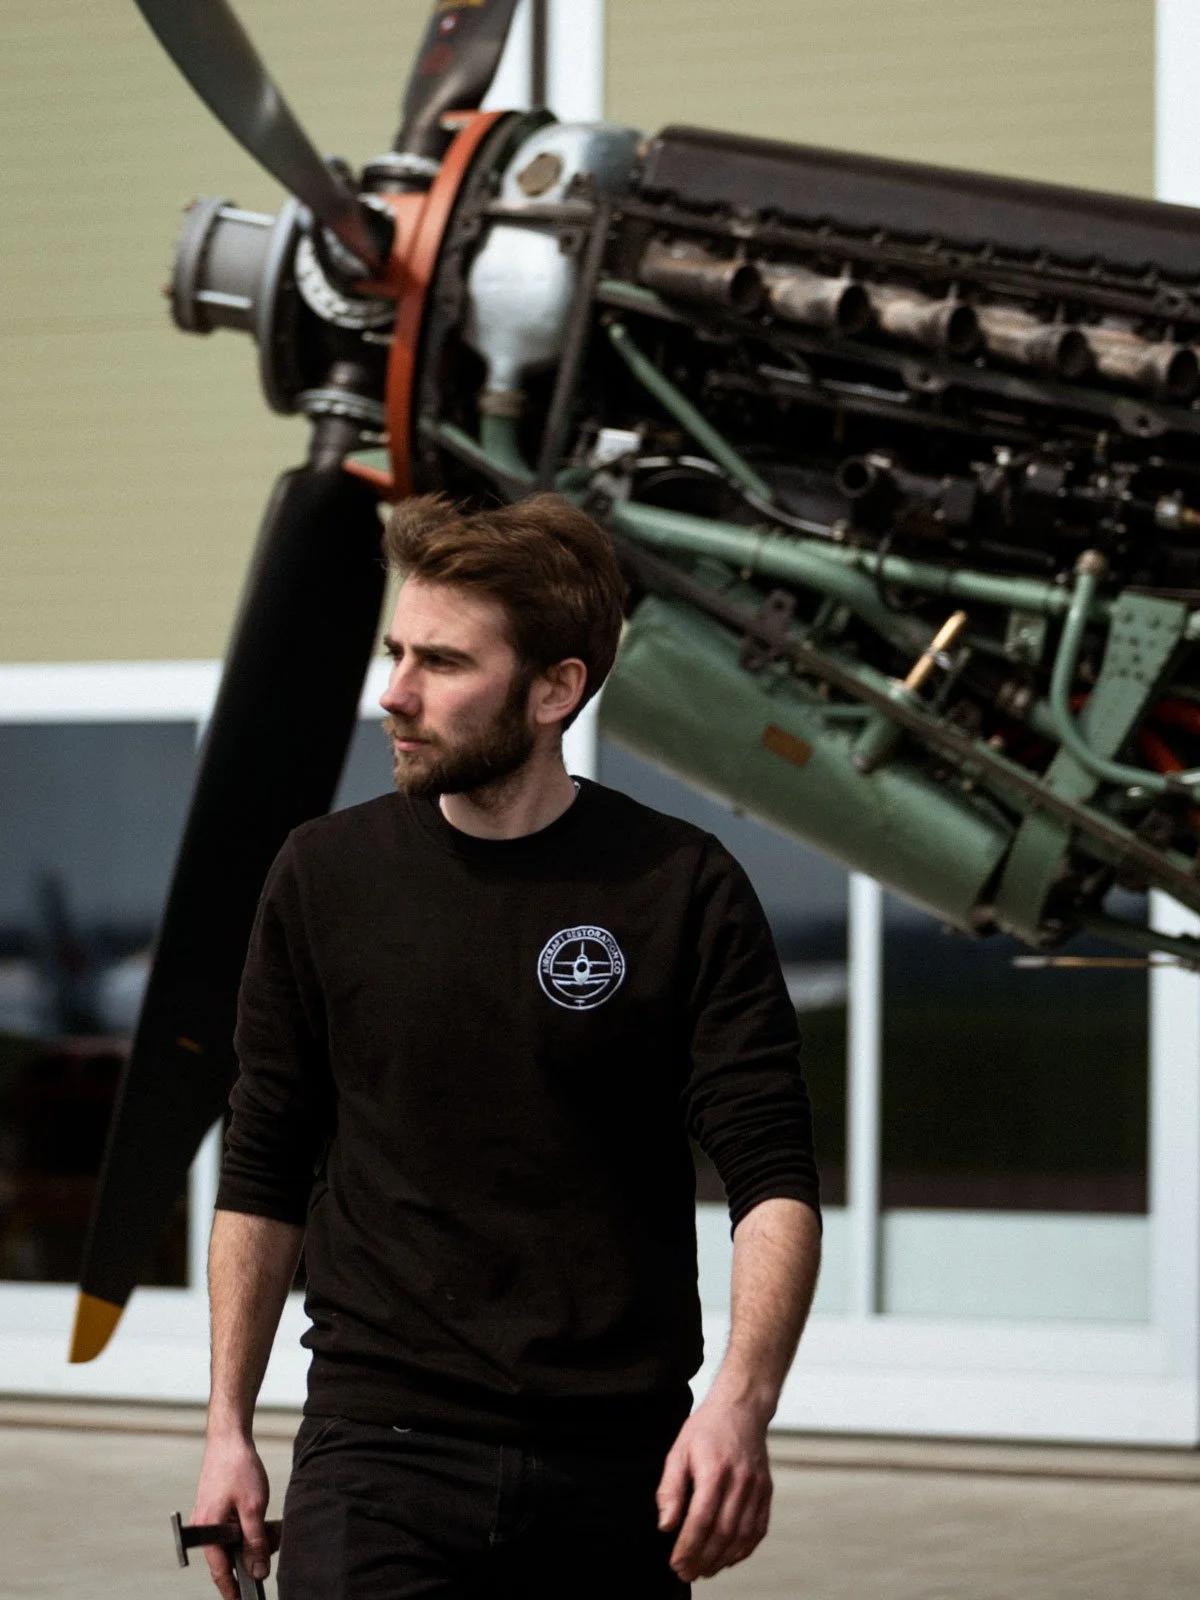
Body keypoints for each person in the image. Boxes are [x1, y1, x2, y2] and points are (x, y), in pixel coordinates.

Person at [191, 492, 822, 1600]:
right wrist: (226, 1428)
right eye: (397, 651)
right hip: (377, 1450)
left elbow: (772, 1175)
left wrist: (741, 1402)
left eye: (441, 661)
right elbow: (263, 1165)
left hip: (618, 1470)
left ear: (554, 689)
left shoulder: (679, 887)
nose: (394, 691)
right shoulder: (322, 877)